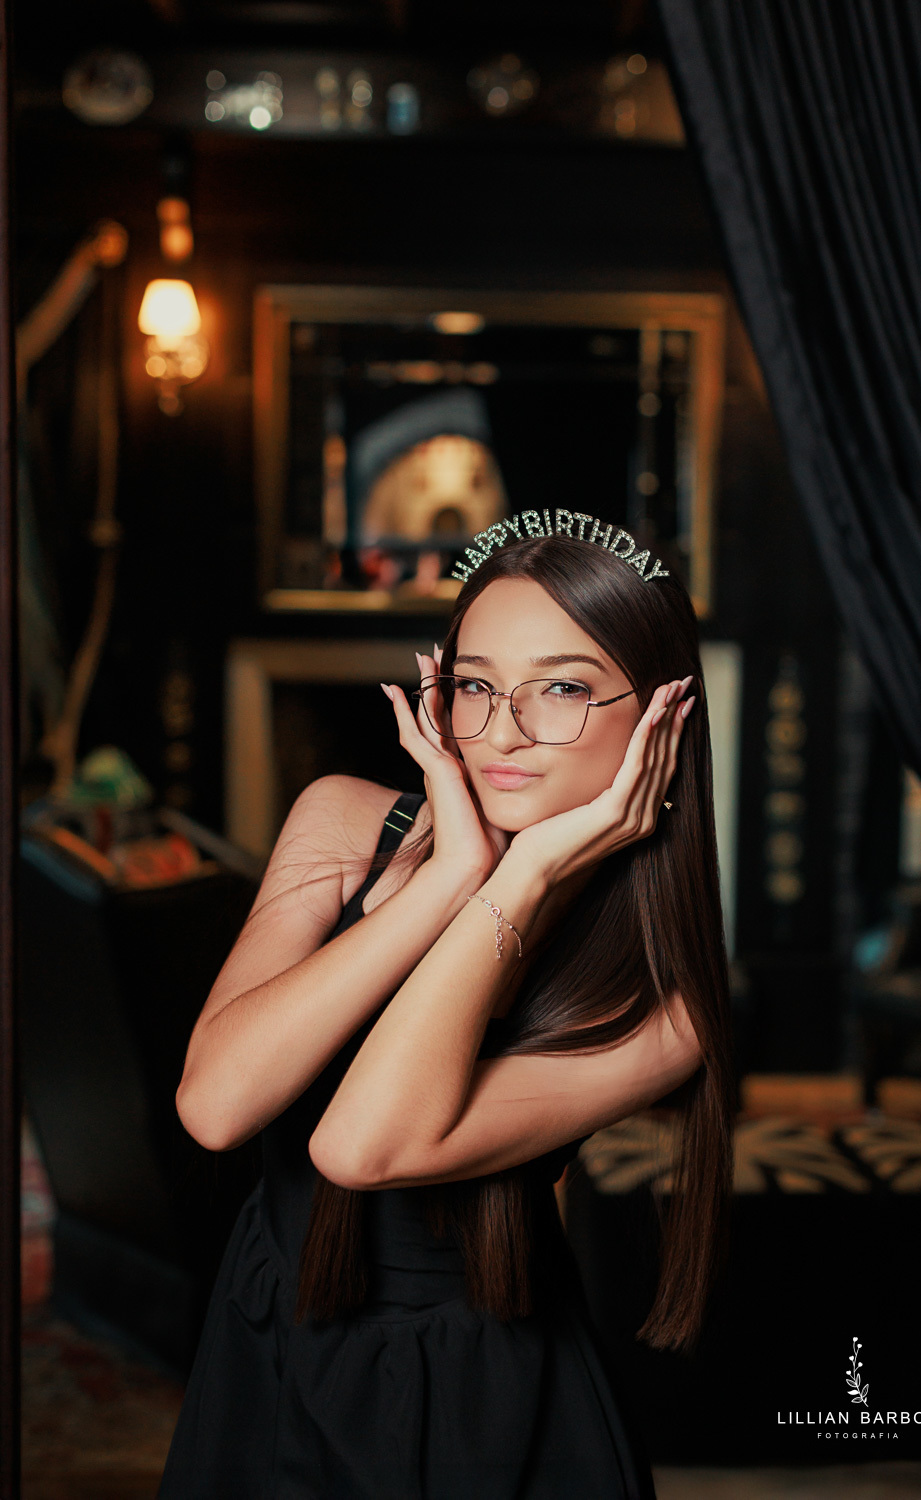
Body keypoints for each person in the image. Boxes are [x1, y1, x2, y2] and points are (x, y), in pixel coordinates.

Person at [159, 522, 736, 1499]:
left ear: (661, 717)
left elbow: (360, 1148)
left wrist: (526, 874)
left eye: (562, 688)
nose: (502, 732)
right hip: (268, 1329)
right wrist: (446, 874)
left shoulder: (661, 1012)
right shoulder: (343, 820)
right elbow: (216, 1107)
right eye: (475, 684)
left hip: (471, 1396)